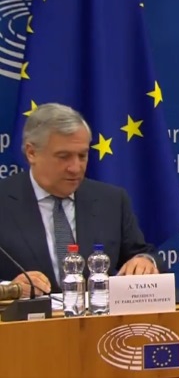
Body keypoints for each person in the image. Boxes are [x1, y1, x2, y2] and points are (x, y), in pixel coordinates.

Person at [0, 103, 160, 297]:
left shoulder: (111, 200)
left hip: (97, 315)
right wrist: (9, 288)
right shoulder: (4, 200)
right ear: (31, 153)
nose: (75, 168)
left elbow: (142, 253)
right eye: (63, 157)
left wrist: (144, 262)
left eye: (82, 156)